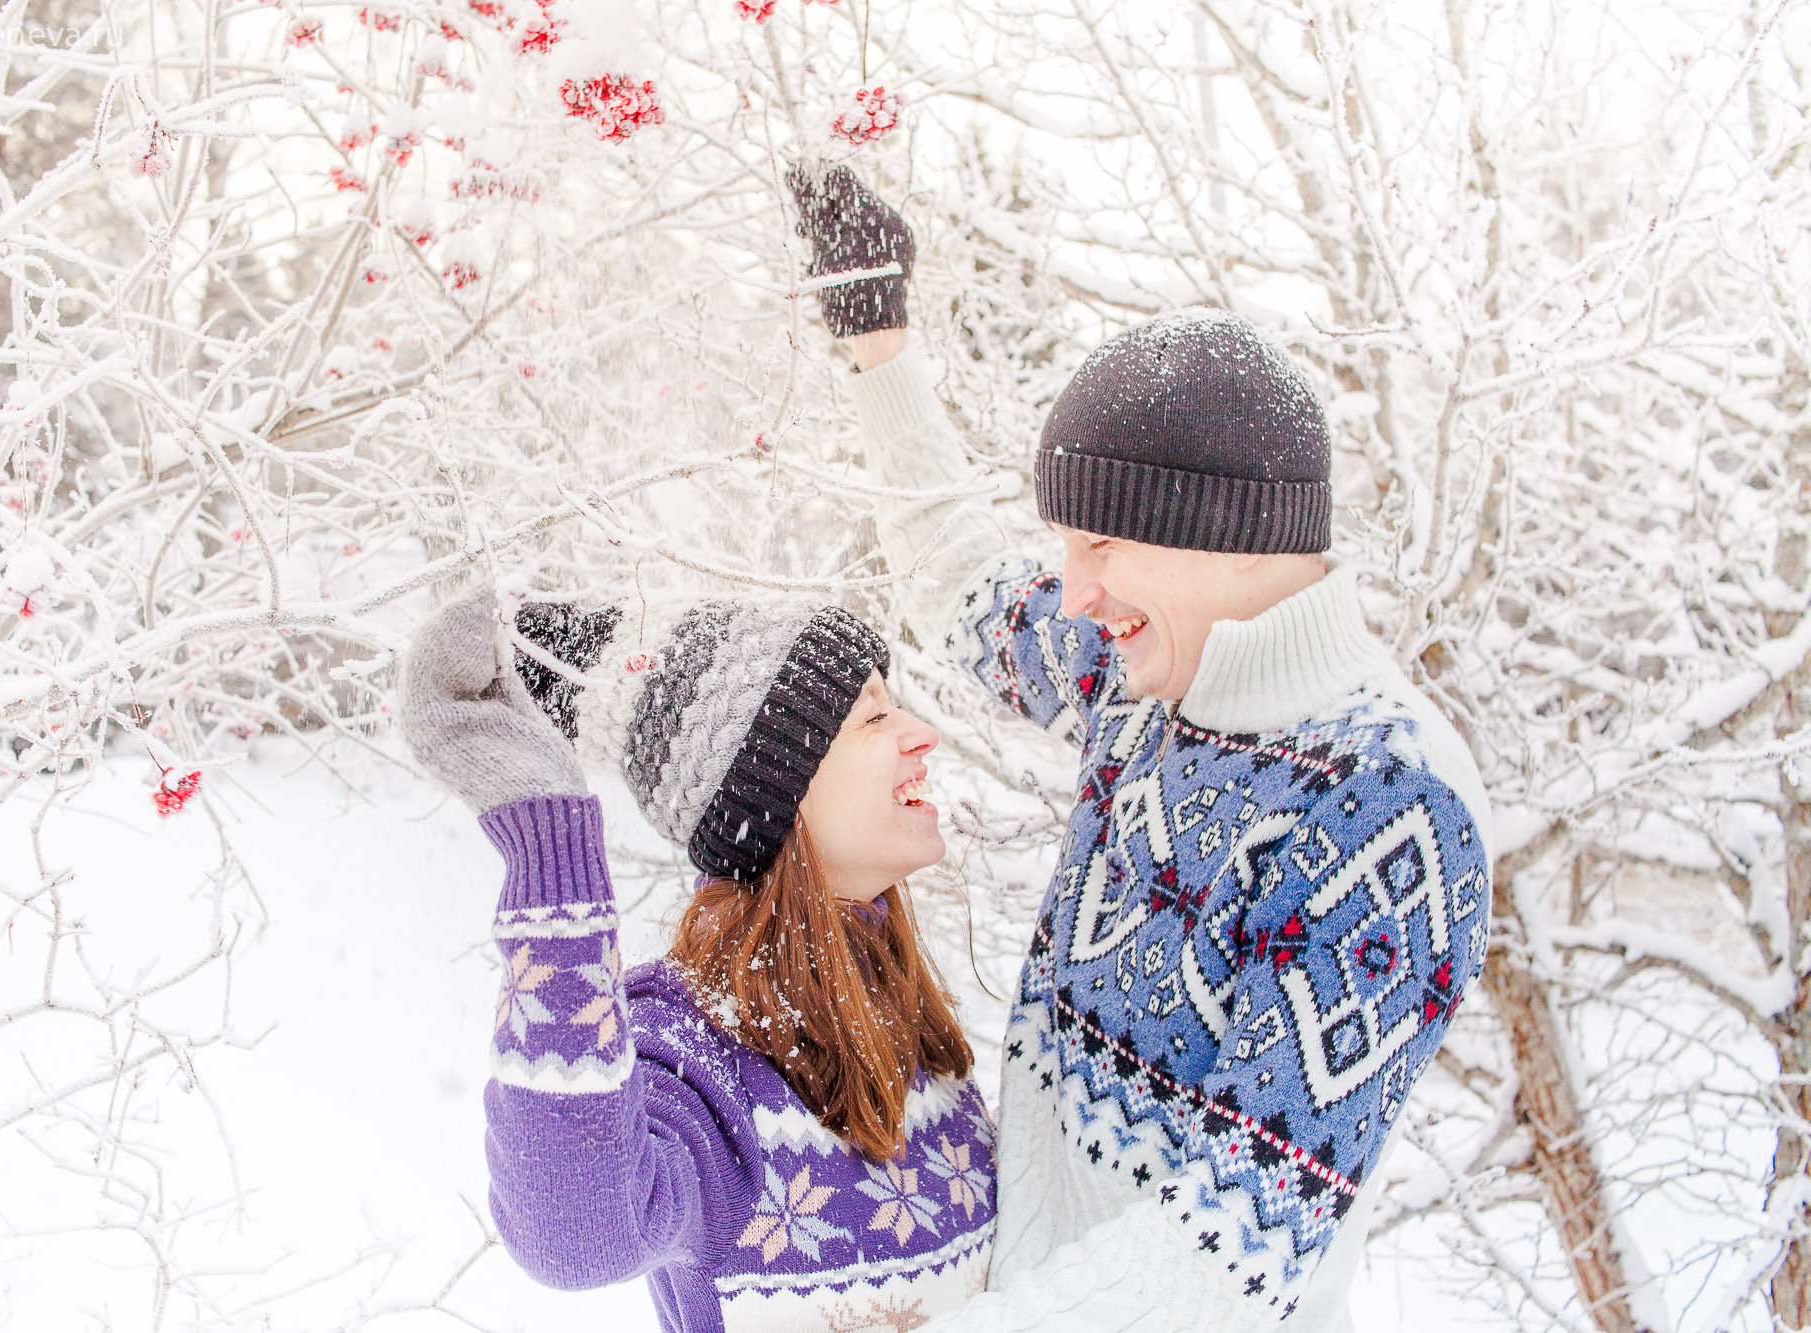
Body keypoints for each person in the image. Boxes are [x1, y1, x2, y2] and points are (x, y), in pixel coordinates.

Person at [786, 164, 1495, 1330]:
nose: (1072, 594)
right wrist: (879, 343)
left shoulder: (1389, 810)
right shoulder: (1142, 678)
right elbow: (956, 572)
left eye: (1099, 542)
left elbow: (1215, 1258)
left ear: (1223, 534)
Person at [402, 587, 998, 1333]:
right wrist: (548, 841)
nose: (921, 733)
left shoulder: (906, 1021)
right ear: (777, 791)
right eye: (874, 716)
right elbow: (577, 1234)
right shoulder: (701, 1060)